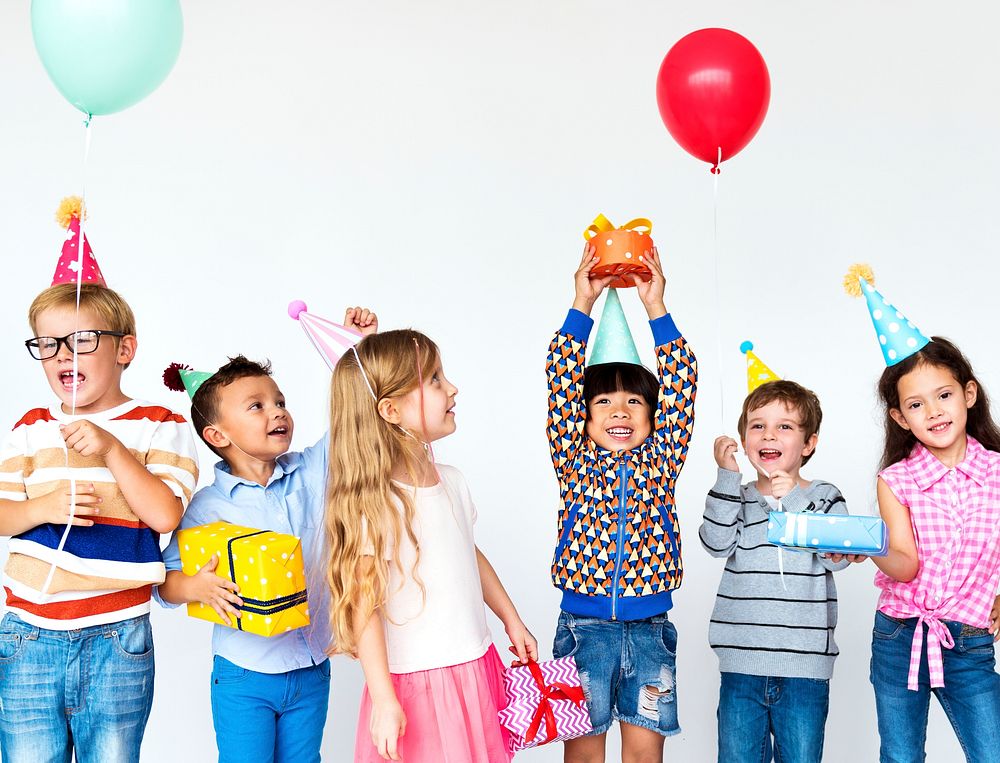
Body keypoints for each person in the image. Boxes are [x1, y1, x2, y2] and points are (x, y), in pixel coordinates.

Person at [156, 307, 378, 763]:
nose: (277, 412)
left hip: (312, 667)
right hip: (243, 675)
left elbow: (355, 424)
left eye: (279, 402)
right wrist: (196, 586)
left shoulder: (312, 473)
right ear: (217, 435)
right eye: (256, 406)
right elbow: (165, 583)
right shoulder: (205, 508)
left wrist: (358, 353)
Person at [0, 281, 199, 763]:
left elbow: (164, 513)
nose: (64, 355)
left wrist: (112, 449)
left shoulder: (160, 424)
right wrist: (41, 510)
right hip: (29, 635)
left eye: (83, 339)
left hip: (117, 635)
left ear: (124, 349)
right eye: (48, 345)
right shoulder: (30, 428)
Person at [326, 329, 536, 762]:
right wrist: (384, 699)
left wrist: (511, 619)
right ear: (391, 410)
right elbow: (364, 604)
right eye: (436, 379)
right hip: (420, 684)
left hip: (475, 666)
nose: (452, 387)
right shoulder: (377, 500)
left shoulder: (453, 480)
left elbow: (466, 552)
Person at [546, 245, 696, 762]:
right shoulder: (574, 460)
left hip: (651, 631)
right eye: (603, 402)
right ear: (582, 419)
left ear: (654, 418)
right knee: (585, 756)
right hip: (582, 630)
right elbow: (560, 378)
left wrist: (656, 308)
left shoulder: (663, 459)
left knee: (643, 755)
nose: (620, 411)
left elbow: (682, 382)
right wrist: (581, 304)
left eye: (635, 401)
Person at [700, 379, 849, 763]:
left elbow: (840, 556)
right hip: (741, 664)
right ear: (744, 439)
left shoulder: (822, 496)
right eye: (757, 425)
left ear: (809, 443)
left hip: (805, 669)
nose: (769, 434)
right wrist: (727, 477)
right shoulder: (738, 493)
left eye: (784, 426)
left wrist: (795, 500)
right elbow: (716, 545)